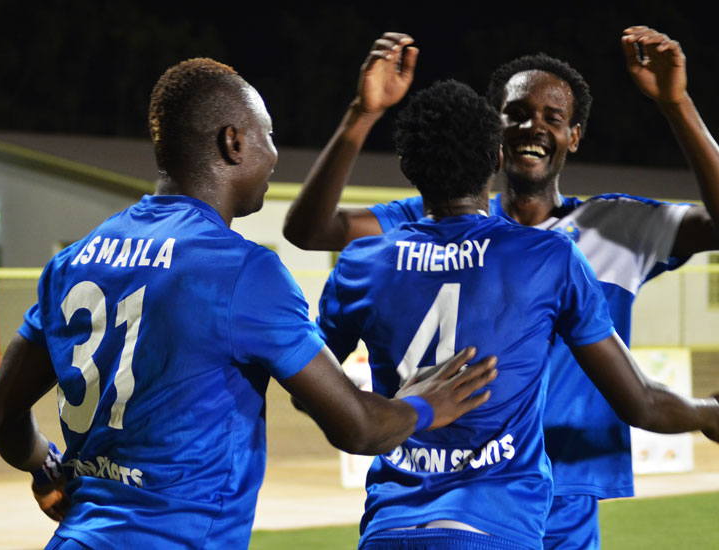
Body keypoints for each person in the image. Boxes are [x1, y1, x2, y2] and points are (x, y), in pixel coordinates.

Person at [0, 58, 500, 550]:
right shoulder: (242, 270)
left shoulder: (73, 260)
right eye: (267, 136)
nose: (273, 154)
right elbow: (358, 426)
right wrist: (427, 404)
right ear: (233, 142)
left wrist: (44, 465)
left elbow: (1, 412)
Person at [284, 27, 719, 549]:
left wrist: (677, 104)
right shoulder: (441, 216)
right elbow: (312, 230)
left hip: (558, 490)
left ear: (574, 136)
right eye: (517, 114)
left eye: (553, 117)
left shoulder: (617, 225)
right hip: (483, 488)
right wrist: (361, 111)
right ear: (494, 137)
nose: (534, 126)